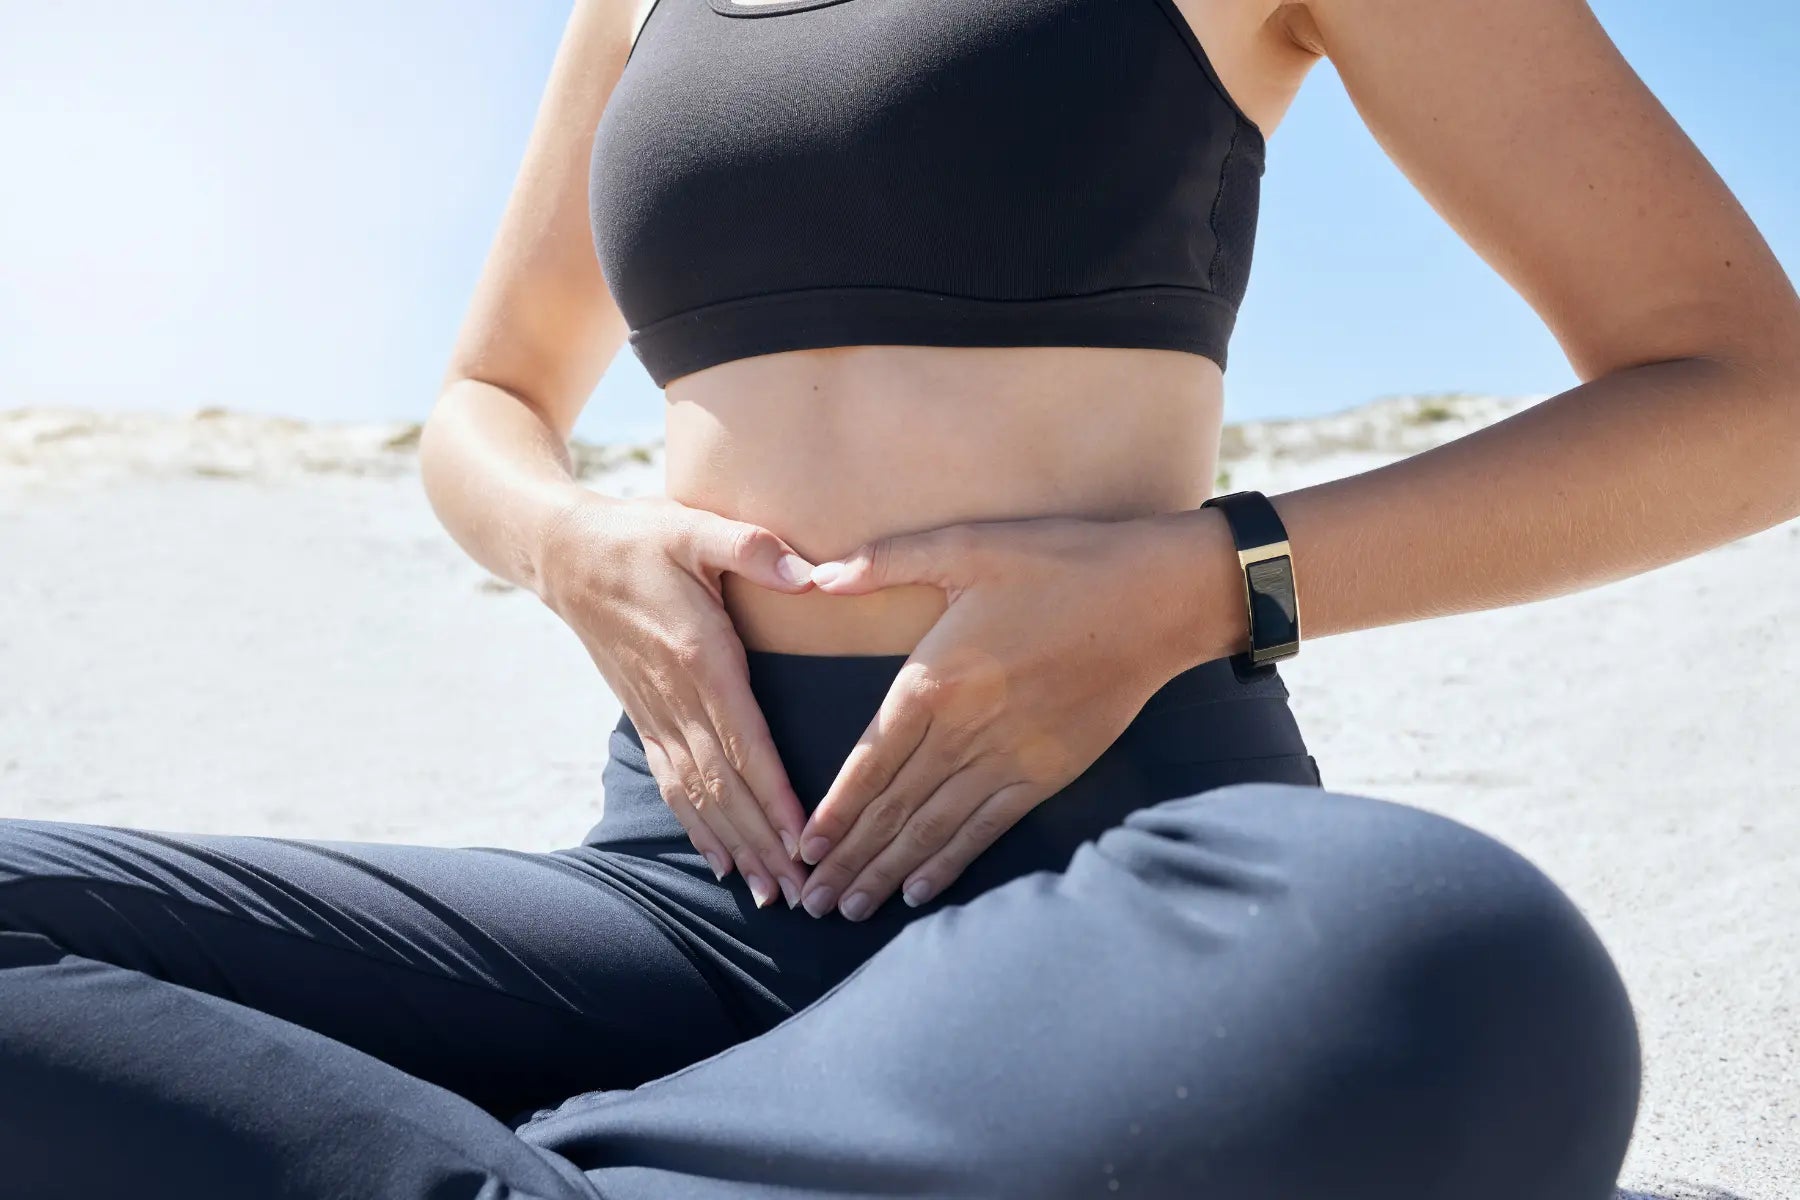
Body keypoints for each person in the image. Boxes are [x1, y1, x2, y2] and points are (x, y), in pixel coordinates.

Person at [2, 0, 1795, 1195]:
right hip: (683, 895)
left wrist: (1205, 579)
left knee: (1453, 954)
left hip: (1112, 873)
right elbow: (486, 403)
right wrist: (570, 544)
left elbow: (1746, 392)